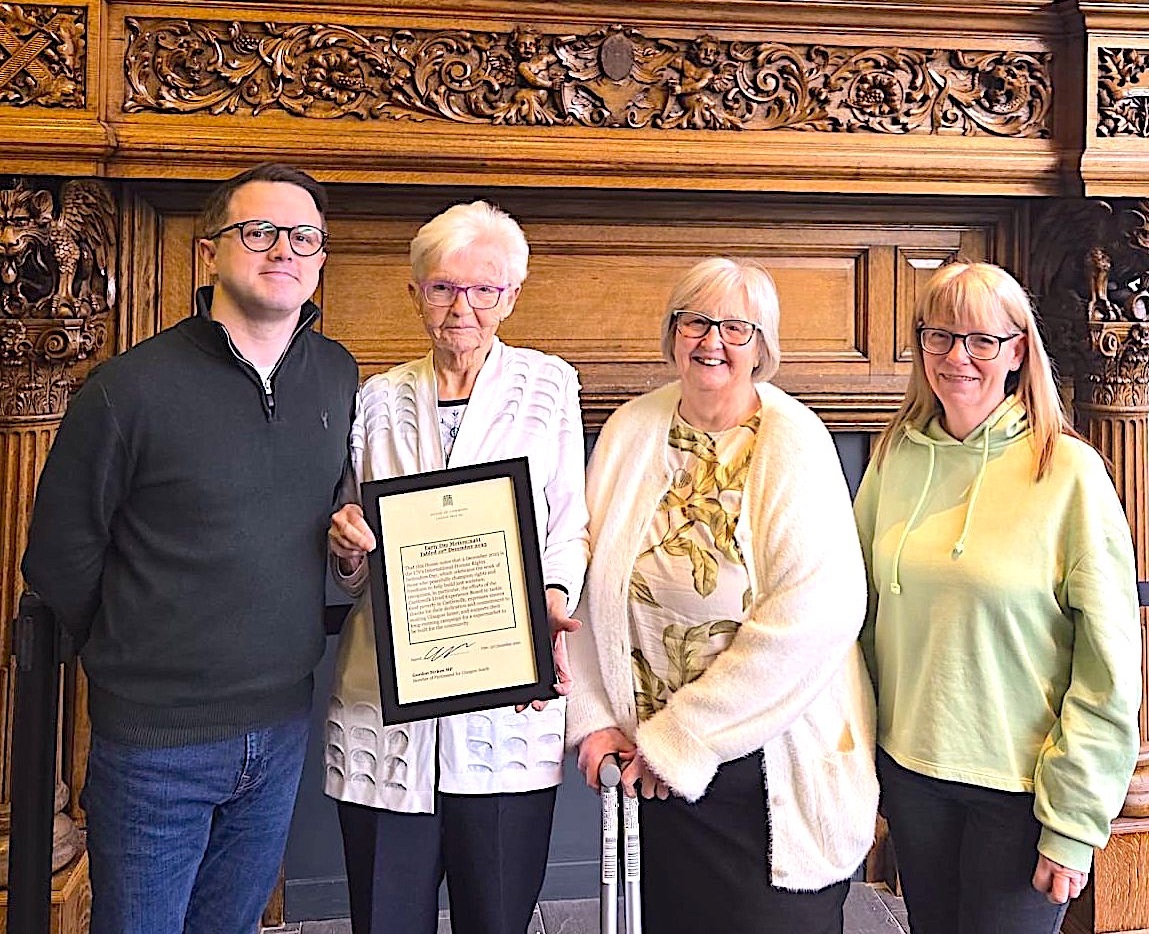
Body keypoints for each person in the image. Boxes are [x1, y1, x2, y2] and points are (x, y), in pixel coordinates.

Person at [20, 162, 359, 934]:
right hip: (154, 744)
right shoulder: (127, 390)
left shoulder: (337, 376)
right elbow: (60, 556)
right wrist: (141, 651)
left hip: (281, 726)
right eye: (259, 232)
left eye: (303, 236)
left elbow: (334, 523)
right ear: (210, 253)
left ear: (320, 257)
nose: (284, 250)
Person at [566, 257, 879, 934]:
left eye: (736, 328)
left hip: (765, 776)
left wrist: (682, 738)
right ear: (672, 333)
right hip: (650, 775)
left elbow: (817, 615)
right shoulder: (630, 429)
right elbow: (590, 585)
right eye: (696, 322)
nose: (713, 341)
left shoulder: (795, 442)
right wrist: (593, 719)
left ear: (761, 346)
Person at [324, 200, 589, 934]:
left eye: (483, 289)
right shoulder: (375, 399)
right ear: (415, 294)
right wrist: (346, 551)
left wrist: (552, 600)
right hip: (385, 706)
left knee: (496, 918)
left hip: (503, 711)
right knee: (384, 920)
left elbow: (567, 524)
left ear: (511, 295)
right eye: (442, 287)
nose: (462, 306)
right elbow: (353, 547)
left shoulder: (547, 386)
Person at [853, 261, 1142, 933]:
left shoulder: (1069, 473)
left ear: (1017, 352)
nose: (957, 357)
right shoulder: (894, 457)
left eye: (982, 339)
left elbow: (1107, 668)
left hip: (1022, 792)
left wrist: (1073, 821)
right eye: (939, 335)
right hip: (912, 778)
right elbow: (856, 618)